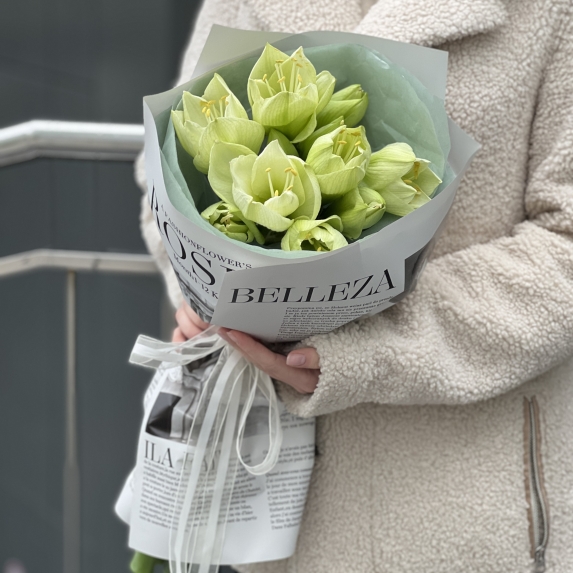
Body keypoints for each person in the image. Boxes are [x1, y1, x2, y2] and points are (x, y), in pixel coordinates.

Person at [136, 0, 573, 570]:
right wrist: (209, 298)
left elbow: (565, 243)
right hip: (290, 500)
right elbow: (167, 165)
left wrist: (364, 342)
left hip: (477, 495)